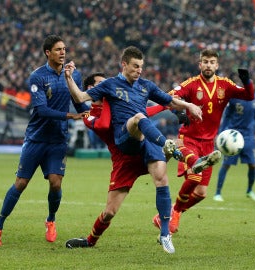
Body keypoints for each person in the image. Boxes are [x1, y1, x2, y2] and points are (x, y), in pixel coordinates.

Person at [64, 46, 204, 254]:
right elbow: (80, 97)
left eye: (141, 67)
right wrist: (68, 77)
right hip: (124, 148)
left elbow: (168, 100)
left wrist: (189, 106)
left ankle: (165, 233)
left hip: (146, 142)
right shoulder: (108, 89)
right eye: (135, 66)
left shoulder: (145, 86)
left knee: (161, 178)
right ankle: (90, 240)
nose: (139, 70)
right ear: (124, 65)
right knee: (110, 211)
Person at [0, 35, 88, 246]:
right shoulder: (38, 76)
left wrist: (95, 115)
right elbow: (41, 110)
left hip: (58, 139)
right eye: (58, 49)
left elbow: (80, 105)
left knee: (55, 182)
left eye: (64, 49)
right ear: (47, 53)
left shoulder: (73, 75)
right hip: (36, 138)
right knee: (21, 183)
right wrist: (69, 116)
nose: (63, 52)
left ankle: (51, 220)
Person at [153, 48, 255, 234]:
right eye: (205, 62)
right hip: (188, 139)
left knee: (201, 194)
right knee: (195, 175)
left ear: (217, 65)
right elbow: (169, 97)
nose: (208, 65)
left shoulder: (225, 85)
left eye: (212, 62)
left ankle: (168, 213)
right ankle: (174, 212)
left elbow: (249, 96)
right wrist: (179, 112)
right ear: (200, 64)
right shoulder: (191, 84)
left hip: (209, 144)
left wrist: (247, 81)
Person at [213, 92, 255, 202]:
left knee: (253, 164)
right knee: (226, 164)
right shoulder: (234, 97)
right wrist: (220, 133)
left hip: (248, 136)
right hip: (233, 136)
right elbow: (227, 116)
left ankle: (249, 191)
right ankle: (218, 193)